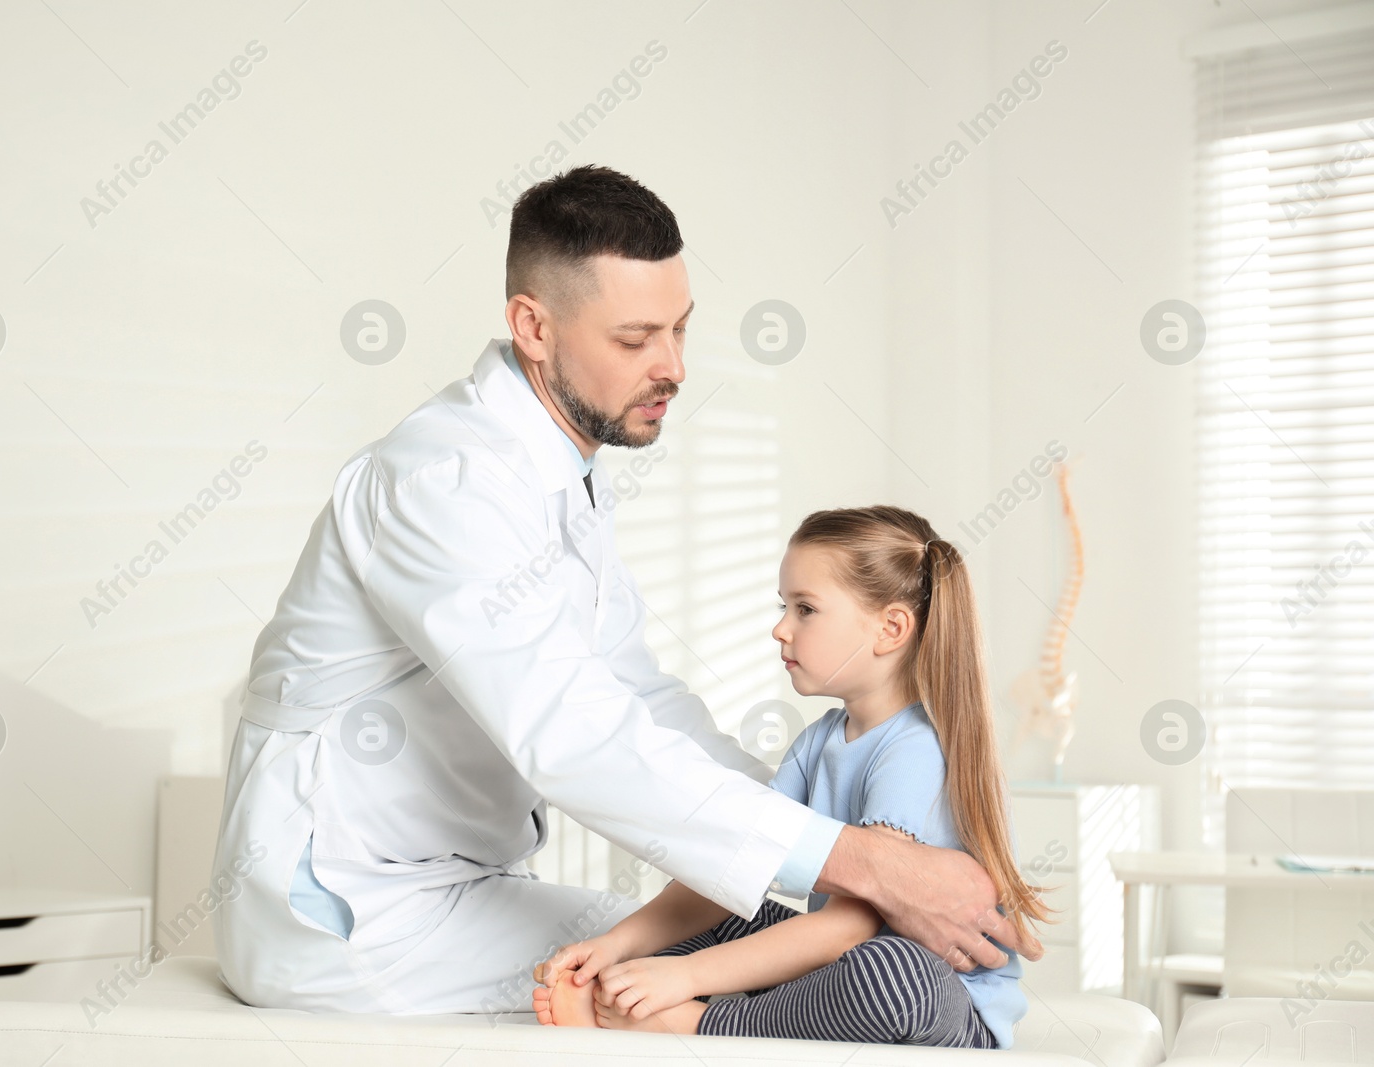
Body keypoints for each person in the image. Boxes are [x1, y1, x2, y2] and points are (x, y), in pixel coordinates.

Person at [209, 164, 1042, 1014]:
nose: (673, 366)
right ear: (533, 326)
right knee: (697, 976)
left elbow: (639, 697)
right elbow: (569, 730)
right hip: (351, 912)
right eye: (636, 338)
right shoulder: (444, 479)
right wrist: (867, 861)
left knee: (740, 948)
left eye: (681, 330)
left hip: (454, 888)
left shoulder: (560, 477)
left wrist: (831, 806)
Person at [533, 506, 1051, 1046]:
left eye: (805, 609)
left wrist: (683, 978)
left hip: (936, 1001)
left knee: (894, 974)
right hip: (835, 964)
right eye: (785, 607)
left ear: (891, 628)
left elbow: (849, 927)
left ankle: (700, 1021)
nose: (781, 628)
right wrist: (617, 946)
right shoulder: (819, 740)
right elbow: (731, 869)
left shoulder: (917, 749)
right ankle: (646, 998)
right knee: (724, 914)